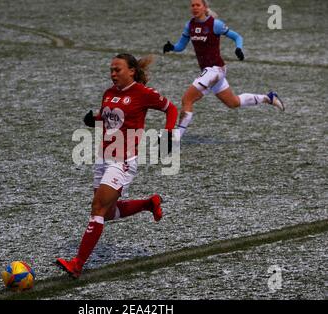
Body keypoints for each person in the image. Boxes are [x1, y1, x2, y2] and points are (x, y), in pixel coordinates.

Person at [55, 53, 178, 278]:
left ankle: (77, 264)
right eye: (111, 70)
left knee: (98, 209)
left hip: (123, 161)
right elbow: (108, 115)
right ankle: (148, 203)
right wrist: (95, 119)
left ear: (131, 71)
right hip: (103, 157)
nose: (113, 74)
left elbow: (171, 108)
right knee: (108, 213)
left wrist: (169, 133)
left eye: (117, 70)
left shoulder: (143, 94)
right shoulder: (109, 93)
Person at [163, 0, 285, 140]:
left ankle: (176, 138)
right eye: (192, 5)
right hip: (209, 72)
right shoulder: (189, 25)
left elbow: (237, 36)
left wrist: (238, 48)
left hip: (216, 69)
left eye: (198, 5)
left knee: (187, 99)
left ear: (205, 7)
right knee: (233, 103)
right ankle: (268, 98)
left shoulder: (215, 24)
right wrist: (172, 47)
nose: (195, 8)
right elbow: (181, 46)